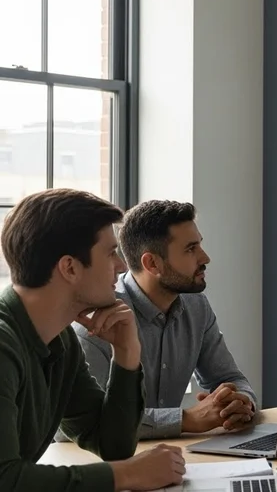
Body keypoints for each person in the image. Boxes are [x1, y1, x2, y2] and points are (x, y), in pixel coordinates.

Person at [0, 188, 185, 492]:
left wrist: (126, 352)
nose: (122, 266)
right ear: (70, 268)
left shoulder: (60, 340)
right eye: (111, 253)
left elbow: (112, 445)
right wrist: (127, 474)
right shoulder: (3, 345)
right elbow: (5, 480)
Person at [72, 200, 258, 440]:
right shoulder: (96, 323)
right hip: (101, 460)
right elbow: (89, 423)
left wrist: (241, 402)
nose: (205, 258)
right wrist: (186, 419)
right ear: (152, 264)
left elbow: (229, 378)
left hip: (173, 453)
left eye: (199, 245)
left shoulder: (196, 307)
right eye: (190, 249)